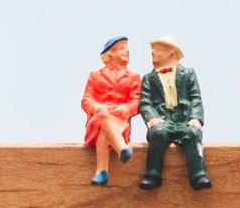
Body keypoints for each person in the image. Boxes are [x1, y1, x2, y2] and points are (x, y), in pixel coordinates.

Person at [137, 35, 211, 190]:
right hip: (162, 120)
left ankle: (199, 174)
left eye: (157, 51)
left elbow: (195, 98)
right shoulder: (148, 78)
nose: (153, 54)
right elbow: (145, 102)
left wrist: (195, 118)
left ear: (170, 52)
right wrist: (152, 118)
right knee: (158, 133)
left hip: (184, 120)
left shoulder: (188, 73)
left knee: (193, 133)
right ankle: (152, 174)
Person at [80, 35, 141, 186]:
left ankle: (102, 171)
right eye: (121, 49)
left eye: (127, 49)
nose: (127, 52)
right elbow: (86, 100)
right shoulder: (95, 75)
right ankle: (122, 149)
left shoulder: (133, 77)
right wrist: (97, 106)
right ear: (110, 53)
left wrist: (126, 108)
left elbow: (138, 102)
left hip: (120, 126)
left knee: (104, 128)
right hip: (95, 123)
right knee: (102, 117)